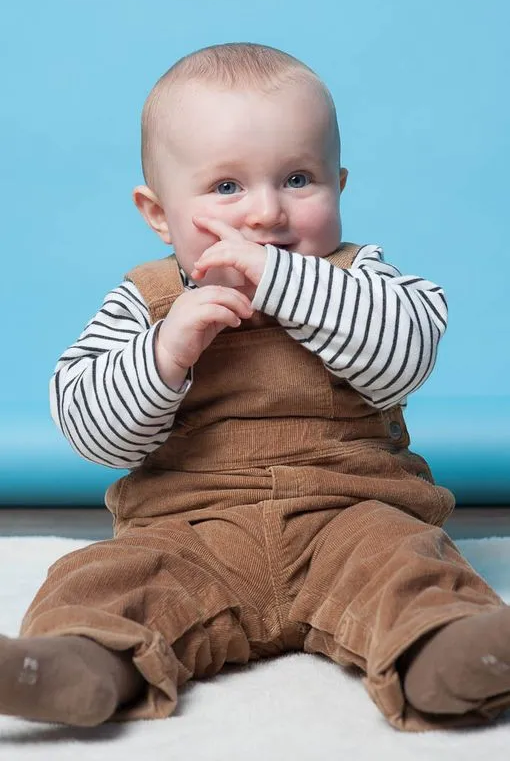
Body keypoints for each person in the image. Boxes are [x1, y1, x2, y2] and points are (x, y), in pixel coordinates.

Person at [1, 42, 509, 733]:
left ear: (340, 183)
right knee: (110, 578)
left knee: (409, 567)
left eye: (299, 179)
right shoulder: (145, 304)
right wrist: (164, 354)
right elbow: (90, 430)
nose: (266, 214)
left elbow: (405, 358)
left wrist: (284, 284)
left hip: (349, 515)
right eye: (227, 188)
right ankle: (74, 666)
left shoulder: (361, 281)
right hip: (190, 530)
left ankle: (453, 652)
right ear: (158, 212)